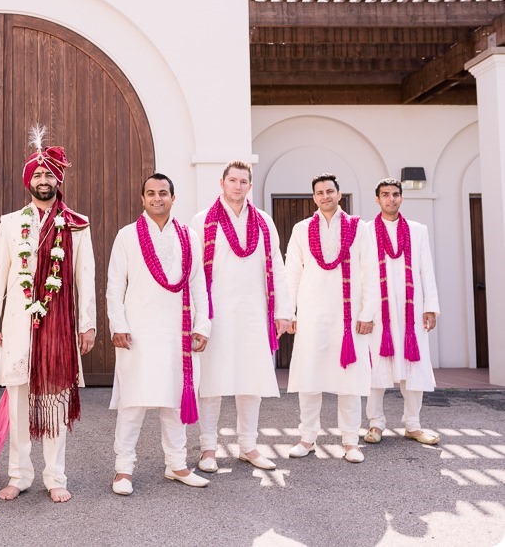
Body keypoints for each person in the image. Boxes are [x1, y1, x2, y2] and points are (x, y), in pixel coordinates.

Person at [0, 124, 96, 503]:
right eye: (38, 173)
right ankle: (19, 474)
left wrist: (88, 325)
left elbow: (85, 279)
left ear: (58, 178)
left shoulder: (76, 225)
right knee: (18, 403)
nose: (43, 179)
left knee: (55, 403)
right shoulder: (10, 223)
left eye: (49, 173)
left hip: (59, 329)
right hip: (17, 325)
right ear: (28, 179)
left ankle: (55, 476)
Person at [107, 173, 211, 496]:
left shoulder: (189, 237)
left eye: (163, 193)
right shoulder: (126, 236)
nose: (157, 198)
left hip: (176, 333)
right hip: (136, 333)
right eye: (150, 193)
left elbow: (198, 284)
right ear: (142, 199)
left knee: (174, 400)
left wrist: (202, 324)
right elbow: (114, 286)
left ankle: (177, 464)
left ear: (173, 198)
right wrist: (118, 325)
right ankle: (123, 469)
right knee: (133, 403)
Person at [189, 161, 291, 473]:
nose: (237, 185)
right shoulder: (202, 220)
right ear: (222, 183)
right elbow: (193, 273)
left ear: (250, 184)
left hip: (253, 312)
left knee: (251, 380)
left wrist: (284, 312)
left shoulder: (263, 221)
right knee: (212, 382)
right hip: (214, 312)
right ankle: (208, 448)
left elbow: (277, 266)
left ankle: (248, 445)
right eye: (232, 180)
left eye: (242, 181)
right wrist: (196, 317)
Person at [285, 173, 379, 463]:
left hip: (347, 316)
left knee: (348, 379)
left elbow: (370, 270)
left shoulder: (358, 228)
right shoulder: (302, 229)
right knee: (309, 378)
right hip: (312, 313)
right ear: (314, 198)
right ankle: (307, 438)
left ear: (339, 195)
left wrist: (368, 312)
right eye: (319, 192)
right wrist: (289, 312)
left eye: (330, 191)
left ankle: (351, 441)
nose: (325, 196)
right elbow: (292, 273)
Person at [363, 178, 441, 446]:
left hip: (412, 311)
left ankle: (413, 425)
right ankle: (375, 423)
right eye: (385, 194)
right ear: (377, 199)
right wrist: (364, 312)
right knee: (376, 369)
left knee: (414, 366)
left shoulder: (418, 230)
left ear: (401, 198)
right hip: (378, 312)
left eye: (395, 194)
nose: (391, 199)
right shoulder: (367, 231)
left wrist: (430, 307)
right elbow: (362, 274)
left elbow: (426, 269)